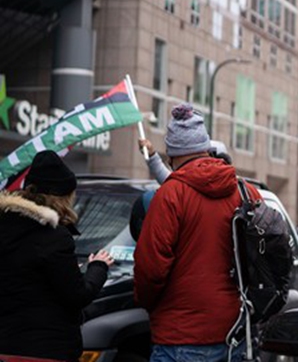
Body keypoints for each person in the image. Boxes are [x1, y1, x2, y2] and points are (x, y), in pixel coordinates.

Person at [134, 104, 259, 361]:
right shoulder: (246, 192)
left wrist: (149, 304)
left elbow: (150, 268)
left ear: (174, 153)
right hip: (237, 332)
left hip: (181, 336)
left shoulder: (170, 195)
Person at [0, 150, 114, 361]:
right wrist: (98, 267)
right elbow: (77, 295)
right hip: (47, 350)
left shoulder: (5, 227)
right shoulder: (53, 237)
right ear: (62, 197)